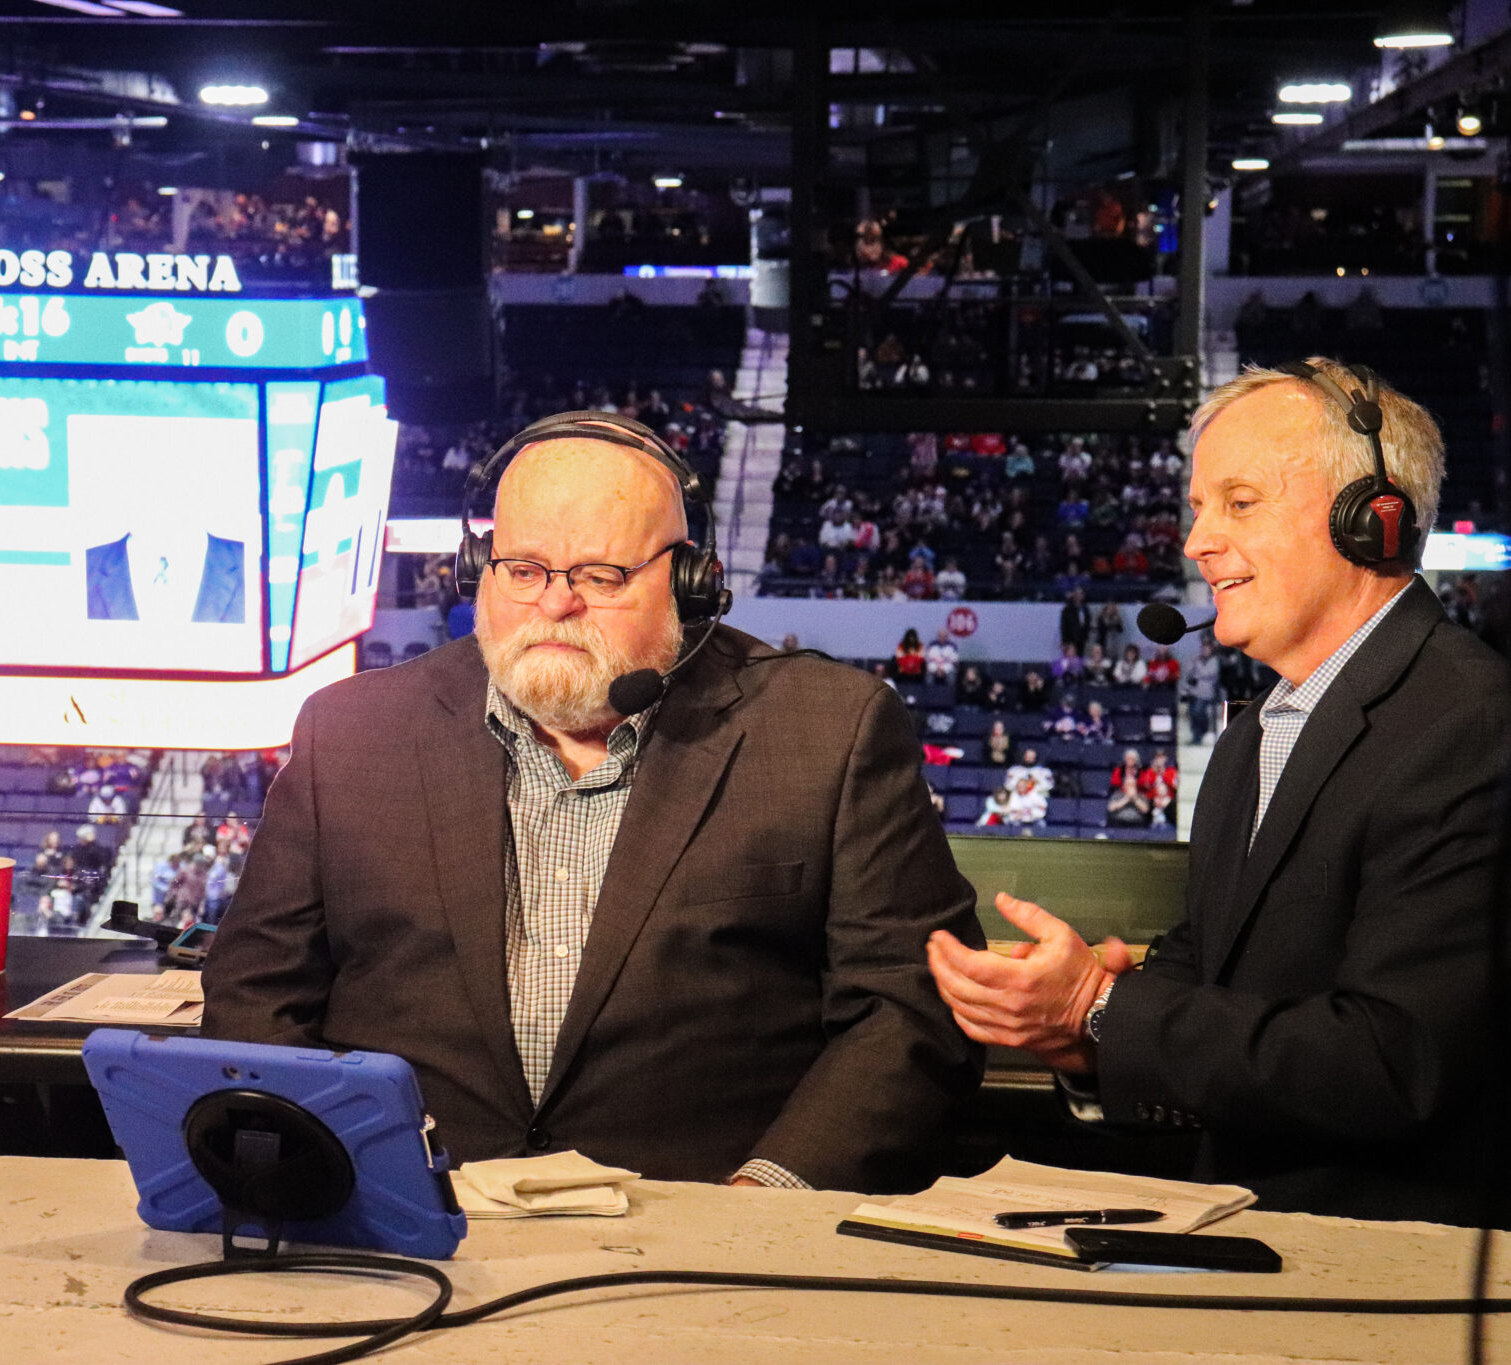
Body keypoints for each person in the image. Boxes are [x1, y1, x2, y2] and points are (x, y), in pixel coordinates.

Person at [203, 413, 984, 1189]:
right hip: (404, 1228)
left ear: (691, 581)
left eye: (599, 576)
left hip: (707, 1248)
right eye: (524, 569)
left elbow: (907, 1011)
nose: (554, 605)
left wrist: (765, 1203)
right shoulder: (350, 732)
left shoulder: (830, 731)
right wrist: (318, 1175)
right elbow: (257, 993)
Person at [926, 357, 1511, 1224]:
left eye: (1240, 503)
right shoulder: (1255, 734)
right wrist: (1086, 1026)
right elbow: (1214, 980)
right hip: (1248, 1238)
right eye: (1199, 508)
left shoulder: (1471, 722)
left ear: (1371, 520)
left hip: (1396, 1280)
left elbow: (1394, 1060)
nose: (1197, 541)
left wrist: (1105, 1008)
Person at [1182, 638, 1221, 743]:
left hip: (1207, 693)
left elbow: (1209, 673)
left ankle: (1201, 733)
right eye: (1203, 649)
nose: (1205, 651)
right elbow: (1189, 672)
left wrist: (1197, 672)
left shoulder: (1214, 661)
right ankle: (1195, 736)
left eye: (1207, 649)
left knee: (1198, 712)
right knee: (1192, 713)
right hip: (1195, 692)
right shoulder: (1197, 660)